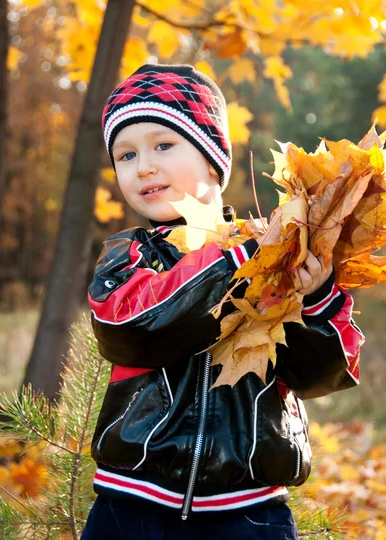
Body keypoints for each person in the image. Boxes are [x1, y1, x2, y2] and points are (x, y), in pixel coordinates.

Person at [82, 64, 364, 539]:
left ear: (213, 158)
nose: (143, 166)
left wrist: (315, 299)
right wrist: (238, 261)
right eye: (125, 155)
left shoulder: (275, 251)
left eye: (163, 145)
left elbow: (319, 376)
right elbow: (131, 329)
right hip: (132, 504)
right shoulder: (128, 256)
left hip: (250, 511)